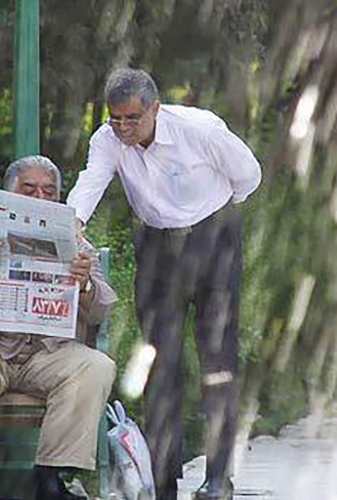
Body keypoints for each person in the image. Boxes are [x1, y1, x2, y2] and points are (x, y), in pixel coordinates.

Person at [67, 68, 262, 500]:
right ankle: (164, 480)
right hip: (156, 249)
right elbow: (90, 183)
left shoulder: (200, 129)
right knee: (159, 364)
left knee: (218, 363)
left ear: (155, 107)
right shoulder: (108, 140)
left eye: (132, 118)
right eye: (115, 118)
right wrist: (71, 225)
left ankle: (217, 479)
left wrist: (211, 217)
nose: (122, 128)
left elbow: (249, 175)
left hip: (214, 241)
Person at [0, 155, 117, 500]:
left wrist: (85, 283)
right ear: (8, 194)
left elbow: (100, 312)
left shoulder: (78, 245)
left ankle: (50, 478)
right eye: (29, 190)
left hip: (46, 355)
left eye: (50, 192)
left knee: (95, 365)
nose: (41, 199)